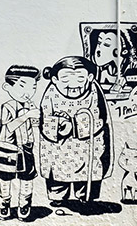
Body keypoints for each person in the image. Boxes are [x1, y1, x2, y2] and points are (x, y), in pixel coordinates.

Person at [38, 56, 114, 203]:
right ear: (55, 80)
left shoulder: (94, 91)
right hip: (58, 148)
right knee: (57, 174)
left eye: (79, 78)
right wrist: (58, 125)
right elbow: (45, 119)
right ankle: (58, 197)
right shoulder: (51, 94)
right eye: (66, 79)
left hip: (87, 146)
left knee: (87, 174)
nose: (73, 84)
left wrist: (73, 126)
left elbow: (99, 117)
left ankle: (86, 197)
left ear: (90, 77)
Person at [0, 65, 40, 220]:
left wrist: (36, 118)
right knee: (5, 177)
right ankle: (4, 203)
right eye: (22, 86)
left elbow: (35, 125)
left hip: (26, 146)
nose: (28, 92)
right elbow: (9, 127)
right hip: (9, 149)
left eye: (33, 87)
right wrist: (26, 116)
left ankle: (24, 204)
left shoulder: (30, 104)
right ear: (8, 87)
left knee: (27, 177)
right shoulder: (8, 106)